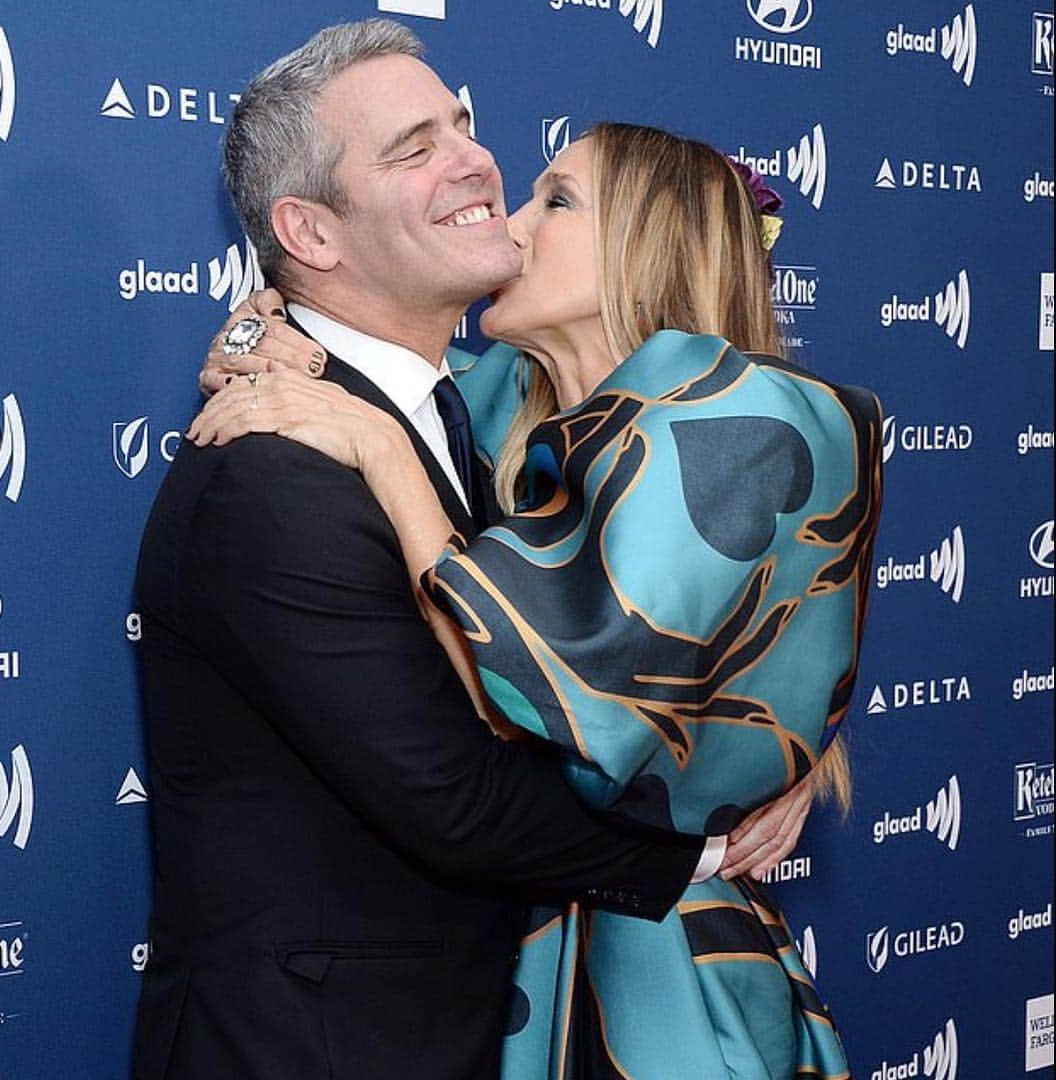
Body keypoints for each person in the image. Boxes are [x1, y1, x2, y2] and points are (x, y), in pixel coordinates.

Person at [191, 120, 882, 1076]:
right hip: (511, 964)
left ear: (649, 251)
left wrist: (380, 453)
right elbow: (358, 351)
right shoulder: (502, 406)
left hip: (661, 981)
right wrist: (258, 336)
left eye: (555, 201)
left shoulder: (756, 424)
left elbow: (549, 683)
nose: (510, 226)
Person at [132, 23, 734, 1080]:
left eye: (461, 121)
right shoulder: (272, 471)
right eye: (413, 148)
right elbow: (458, 799)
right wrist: (708, 844)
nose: (475, 157)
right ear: (311, 233)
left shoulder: (487, 419)